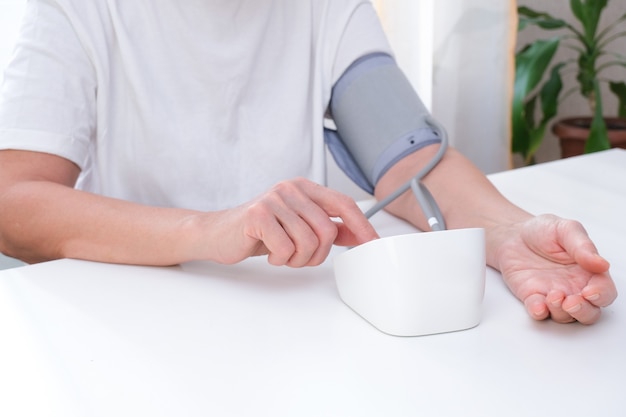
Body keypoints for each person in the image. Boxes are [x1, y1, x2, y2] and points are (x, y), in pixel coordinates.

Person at [0, 0, 617, 325]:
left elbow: (410, 158)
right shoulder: (73, 9)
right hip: (127, 318)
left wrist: (509, 233)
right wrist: (208, 229)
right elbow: (15, 201)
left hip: (293, 317)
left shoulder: (326, 6)